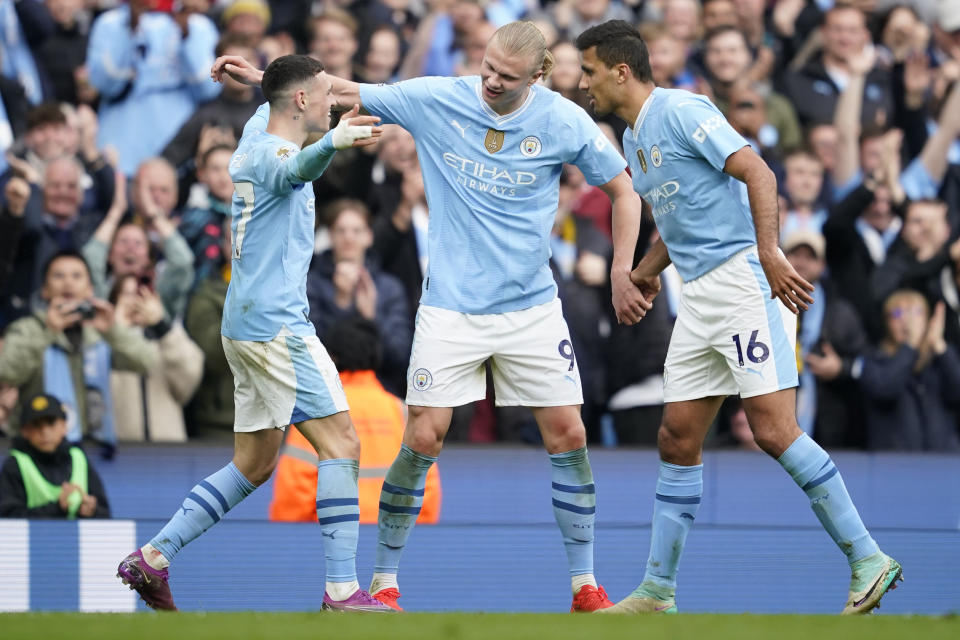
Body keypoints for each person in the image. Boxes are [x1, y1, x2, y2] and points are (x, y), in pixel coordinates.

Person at [212, 20, 648, 613]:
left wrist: (622, 269)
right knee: (421, 436)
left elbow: (625, 190)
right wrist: (269, 81)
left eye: (506, 76)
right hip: (450, 307)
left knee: (569, 434)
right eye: (488, 66)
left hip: (531, 308)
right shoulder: (442, 97)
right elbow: (350, 90)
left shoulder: (563, 121)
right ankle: (386, 583)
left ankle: (585, 587)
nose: (490, 81)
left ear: (540, 77)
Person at [575, 20, 901, 615]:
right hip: (697, 295)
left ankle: (868, 559)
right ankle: (657, 591)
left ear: (621, 70)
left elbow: (758, 171)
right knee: (676, 438)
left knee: (774, 430)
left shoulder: (680, 109)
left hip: (742, 282)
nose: (582, 83)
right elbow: (680, 224)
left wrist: (771, 254)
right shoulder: (633, 139)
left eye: (589, 70)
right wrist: (643, 274)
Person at [116, 54, 388, 612]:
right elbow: (295, 169)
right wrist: (334, 142)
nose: (336, 99)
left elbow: (285, 100)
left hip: (243, 323)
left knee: (255, 463)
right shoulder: (273, 152)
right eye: (326, 93)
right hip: (277, 324)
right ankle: (341, 592)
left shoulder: (253, 129)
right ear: (303, 103)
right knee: (342, 444)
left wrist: (257, 77)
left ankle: (153, 558)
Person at [269, 317, 441, 524]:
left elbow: (294, 494)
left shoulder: (315, 415)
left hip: (331, 542)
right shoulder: (402, 413)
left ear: (331, 358)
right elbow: (426, 490)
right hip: (392, 541)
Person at [0, 392, 110, 519]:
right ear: (25, 431)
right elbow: (8, 520)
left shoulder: (79, 458)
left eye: (51, 423)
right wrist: (57, 508)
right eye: (36, 425)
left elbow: (105, 514)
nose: (44, 431)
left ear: (64, 426)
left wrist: (92, 511)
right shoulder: (16, 464)